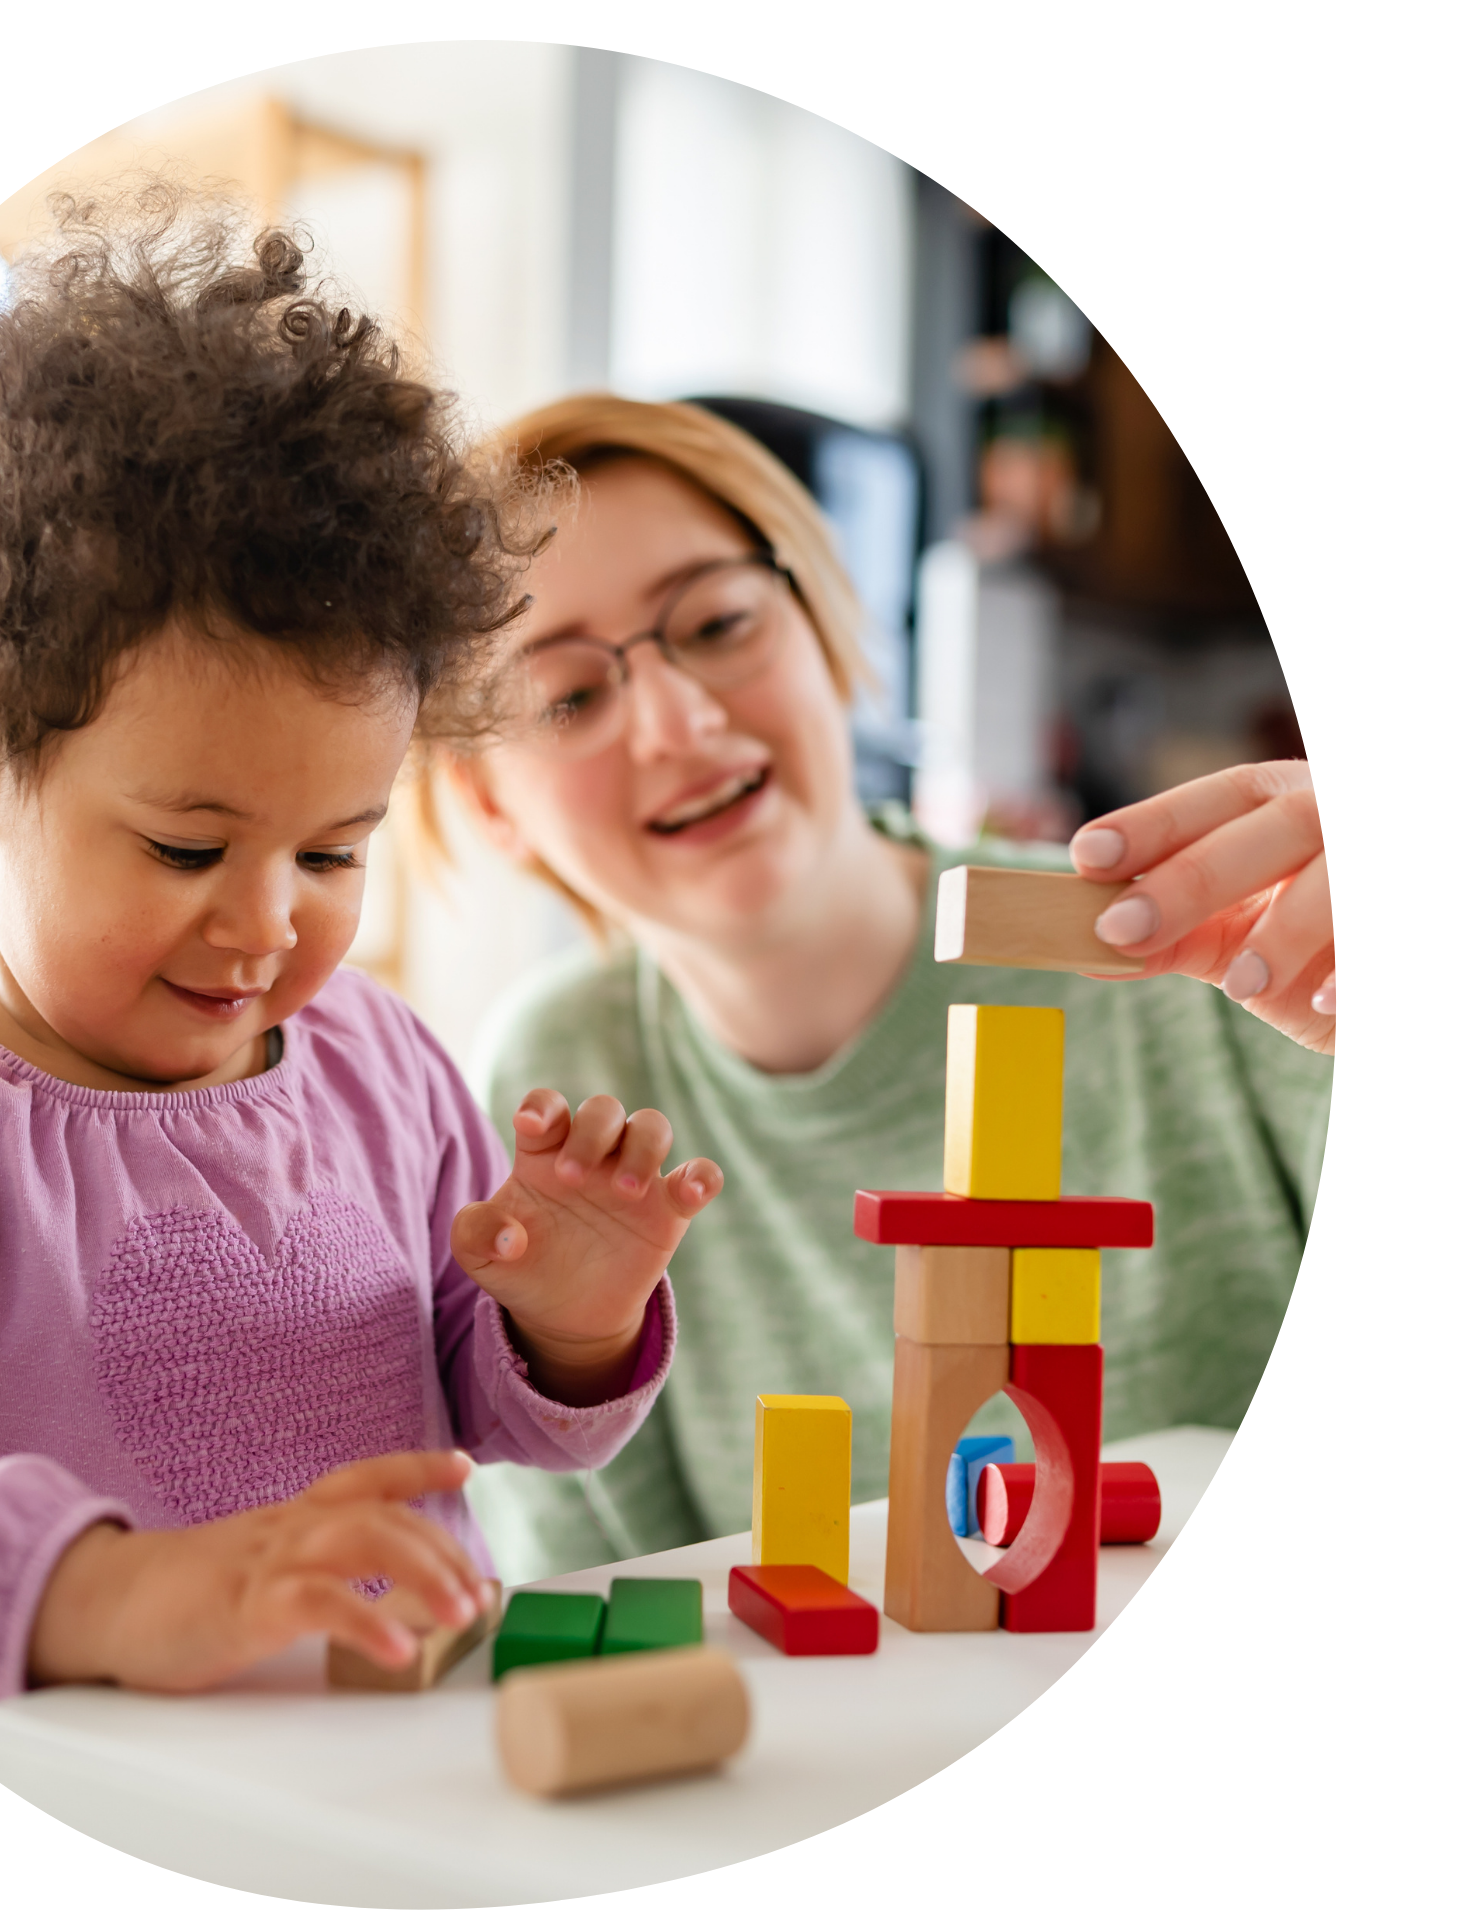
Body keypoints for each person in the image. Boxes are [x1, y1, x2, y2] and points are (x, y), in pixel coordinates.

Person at [0, 199, 723, 1734]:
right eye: (187, 849)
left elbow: (494, 1414)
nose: (265, 925)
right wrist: (112, 1596)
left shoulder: (383, 1064)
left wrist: (563, 1325)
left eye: (331, 854)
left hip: (406, 1786)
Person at [434, 395, 1333, 1580]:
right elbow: (605, 1609)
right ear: (493, 807)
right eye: (569, 698)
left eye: (715, 623)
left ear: (826, 625)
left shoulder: (1207, 952)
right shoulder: (556, 1084)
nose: (681, 721)